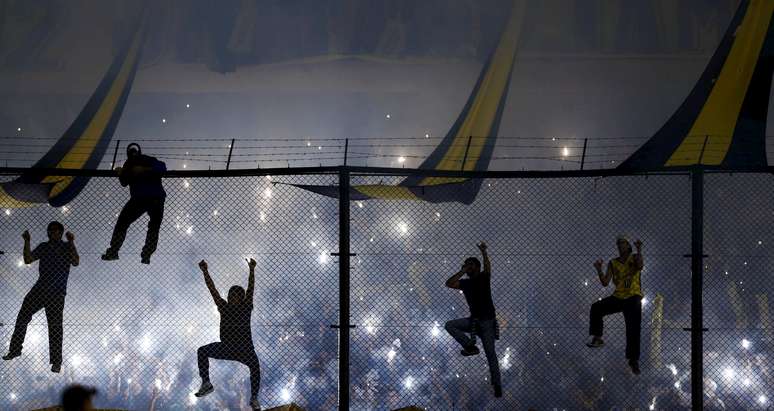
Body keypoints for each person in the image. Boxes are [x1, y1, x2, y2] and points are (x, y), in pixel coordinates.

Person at [3, 221, 79, 373]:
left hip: (57, 293)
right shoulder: (44, 246)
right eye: (51, 231)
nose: (53, 233)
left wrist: (71, 242)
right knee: (23, 316)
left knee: (55, 327)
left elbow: (76, 261)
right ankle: (15, 349)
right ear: (48, 233)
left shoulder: (66, 247)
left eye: (56, 231)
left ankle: (56, 362)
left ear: (61, 233)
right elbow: (28, 259)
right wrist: (27, 241)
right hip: (40, 289)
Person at [194, 258, 261, 410]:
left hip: (245, 349)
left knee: (255, 367)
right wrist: (205, 271)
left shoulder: (246, 307)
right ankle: (206, 383)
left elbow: (251, 289)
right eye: (230, 295)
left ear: (241, 298)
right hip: (227, 347)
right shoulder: (224, 307)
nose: (232, 298)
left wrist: (251, 270)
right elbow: (213, 290)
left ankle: (254, 399)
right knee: (202, 351)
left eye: (235, 296)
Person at [444, 241, 502, 398]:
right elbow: (449, 283)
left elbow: (488, 267)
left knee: (491, 354)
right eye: (466, 265)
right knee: (450, 325)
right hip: (474, 321)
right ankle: (470, 346)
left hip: (487, 323)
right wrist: (462, 270)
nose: (468, 267)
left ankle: (497, 384)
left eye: (470, 265)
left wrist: (483, 252)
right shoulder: (466, 283)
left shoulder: (483, 278)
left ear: (476, 267)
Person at [586, 236, 644, 375]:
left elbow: (640, 266)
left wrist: (639, 249)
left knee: (633, 329)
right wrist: (599, 269)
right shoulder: (613, 262)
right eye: (618, 244)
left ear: (628, 246)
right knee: (596, 307)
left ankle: (633, 360)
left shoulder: (634, 257)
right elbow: (605, 282)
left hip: (633, 297)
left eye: (622, 243)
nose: (619, 246)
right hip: (618, 296)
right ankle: (598, 337)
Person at [101, 143, 166, 264]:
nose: (133, 155)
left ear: (139, 152)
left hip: (153, 196)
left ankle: (146, 252)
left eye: (135, 152)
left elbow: (162, 168)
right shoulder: (128, 164)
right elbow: (124, 182)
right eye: (131, 153)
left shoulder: (147, 159)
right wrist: (121, 172)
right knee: (124, 222)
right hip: (141, 198)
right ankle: (115, 250)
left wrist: (144, 169)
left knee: (153, 226)